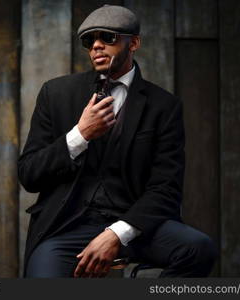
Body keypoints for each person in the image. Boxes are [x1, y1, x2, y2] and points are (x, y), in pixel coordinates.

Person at [18, 5, 217, 278]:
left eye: (108, 37)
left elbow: (166, 189)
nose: (97, 46)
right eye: (89, 40)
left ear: (133, 42)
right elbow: (29, 174)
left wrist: (116, 233)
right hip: (67, 227)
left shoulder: (164, 106)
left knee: (198, 248)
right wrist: (80, 135)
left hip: (135, 226)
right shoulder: (56, 93)